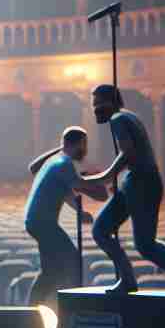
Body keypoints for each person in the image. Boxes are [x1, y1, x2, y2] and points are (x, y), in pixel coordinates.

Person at [83, 84, 165, 296]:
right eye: (93, 105)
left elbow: (128, 152)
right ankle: (127, 279)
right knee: (101, 230)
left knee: (144, 244)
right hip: (134, 182)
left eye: (98, 104)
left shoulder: (118, 119)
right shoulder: (127, 117)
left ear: (111, 103)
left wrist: (104, 177)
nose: (95, 109)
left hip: (142, 183)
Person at [21, 127, 109, 313]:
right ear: (77, 144)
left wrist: (80, 212)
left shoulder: (57, 162)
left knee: (50, 270)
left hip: (37, 222)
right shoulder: (63, 163)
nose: (85, 150)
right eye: (84, 145)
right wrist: (102, 181)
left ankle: (31, 309)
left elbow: (66, 193)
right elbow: (79, 185)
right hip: (42, 222)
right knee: (72, 260)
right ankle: (73, 307)